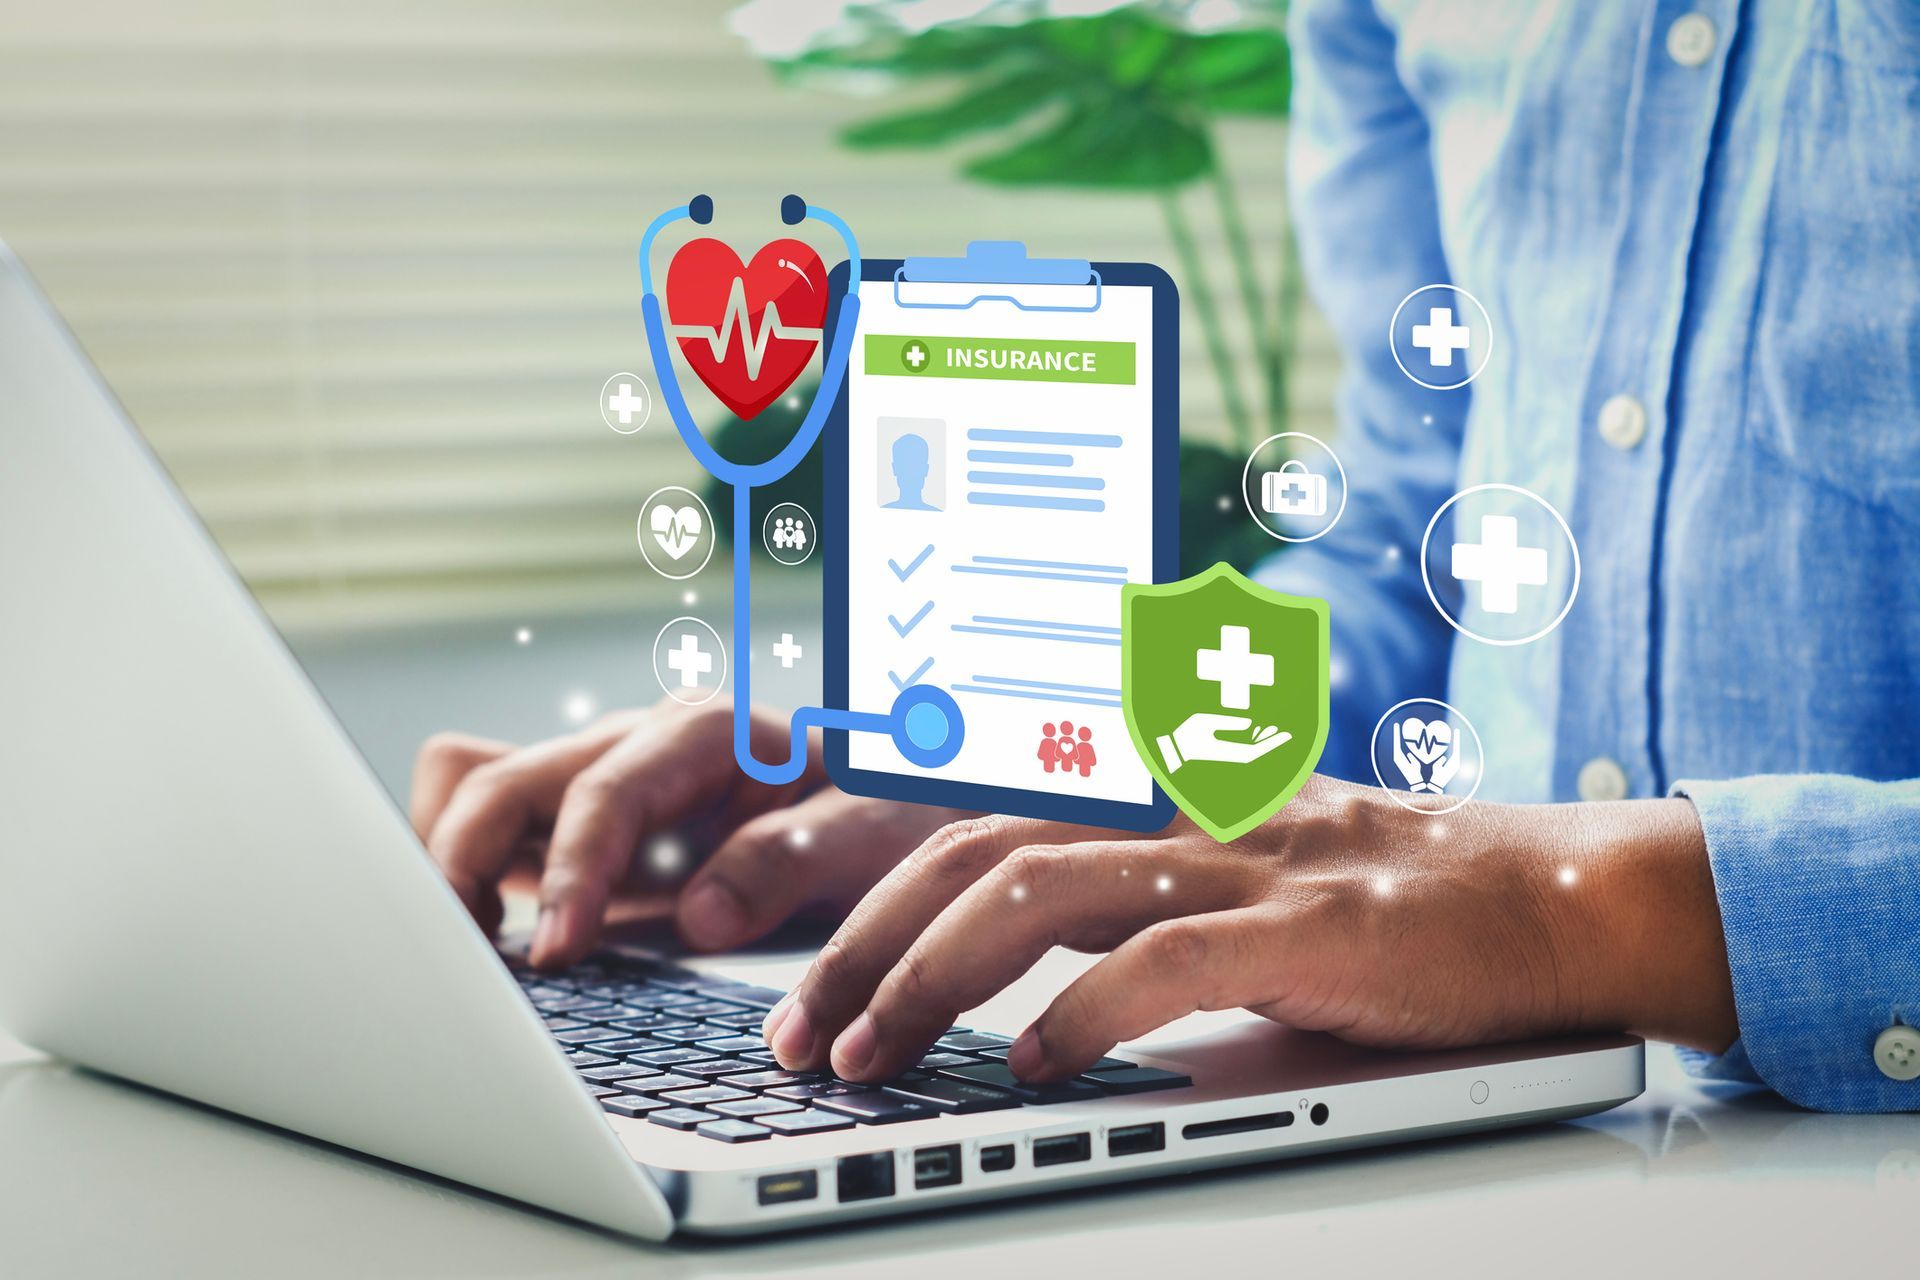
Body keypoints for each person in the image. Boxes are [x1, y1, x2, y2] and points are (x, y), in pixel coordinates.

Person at [414, 2, 1919, 1114]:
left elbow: (1520, 874)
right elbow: (1420, 545)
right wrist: (1021, 769)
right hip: (1496, 1138)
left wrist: (1572, 908)